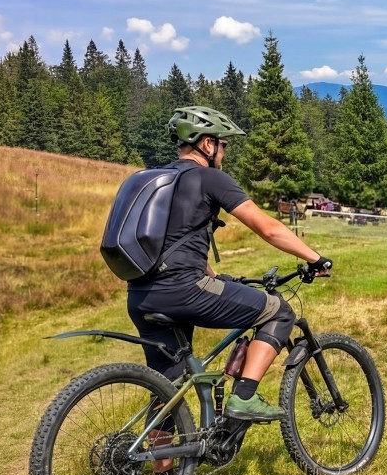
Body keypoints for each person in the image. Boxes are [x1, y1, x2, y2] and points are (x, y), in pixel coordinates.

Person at [127, 106, 332, 437]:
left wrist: (213, 276)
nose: (224, 152)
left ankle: (164, 469)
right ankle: (244, 397)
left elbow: (174, 242)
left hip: (140, 295)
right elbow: (267, 227)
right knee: (279, 311)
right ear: (207, 144)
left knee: (167, 386)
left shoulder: (158, 180)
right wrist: (315, 258)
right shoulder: (209, 178)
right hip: (184, 291)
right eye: (223, 145)